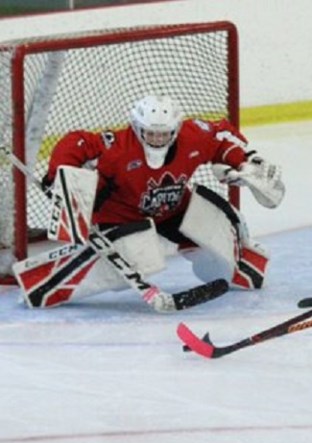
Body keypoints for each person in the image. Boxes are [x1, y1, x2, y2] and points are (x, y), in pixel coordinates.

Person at [13, 94, 284, 310]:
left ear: (175, 129)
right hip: (120, 218)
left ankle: (241, 265)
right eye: (150, 133)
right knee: (140, 256)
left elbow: (221, 136)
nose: (157, 139)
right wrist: (59, 175)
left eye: (164, 133)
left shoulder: (193, 135)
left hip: (173, 210)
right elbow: (77, 142)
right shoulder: (118, 147)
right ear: (137, 128)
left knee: (215, 233)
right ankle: (45, 283)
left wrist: (245, 162)